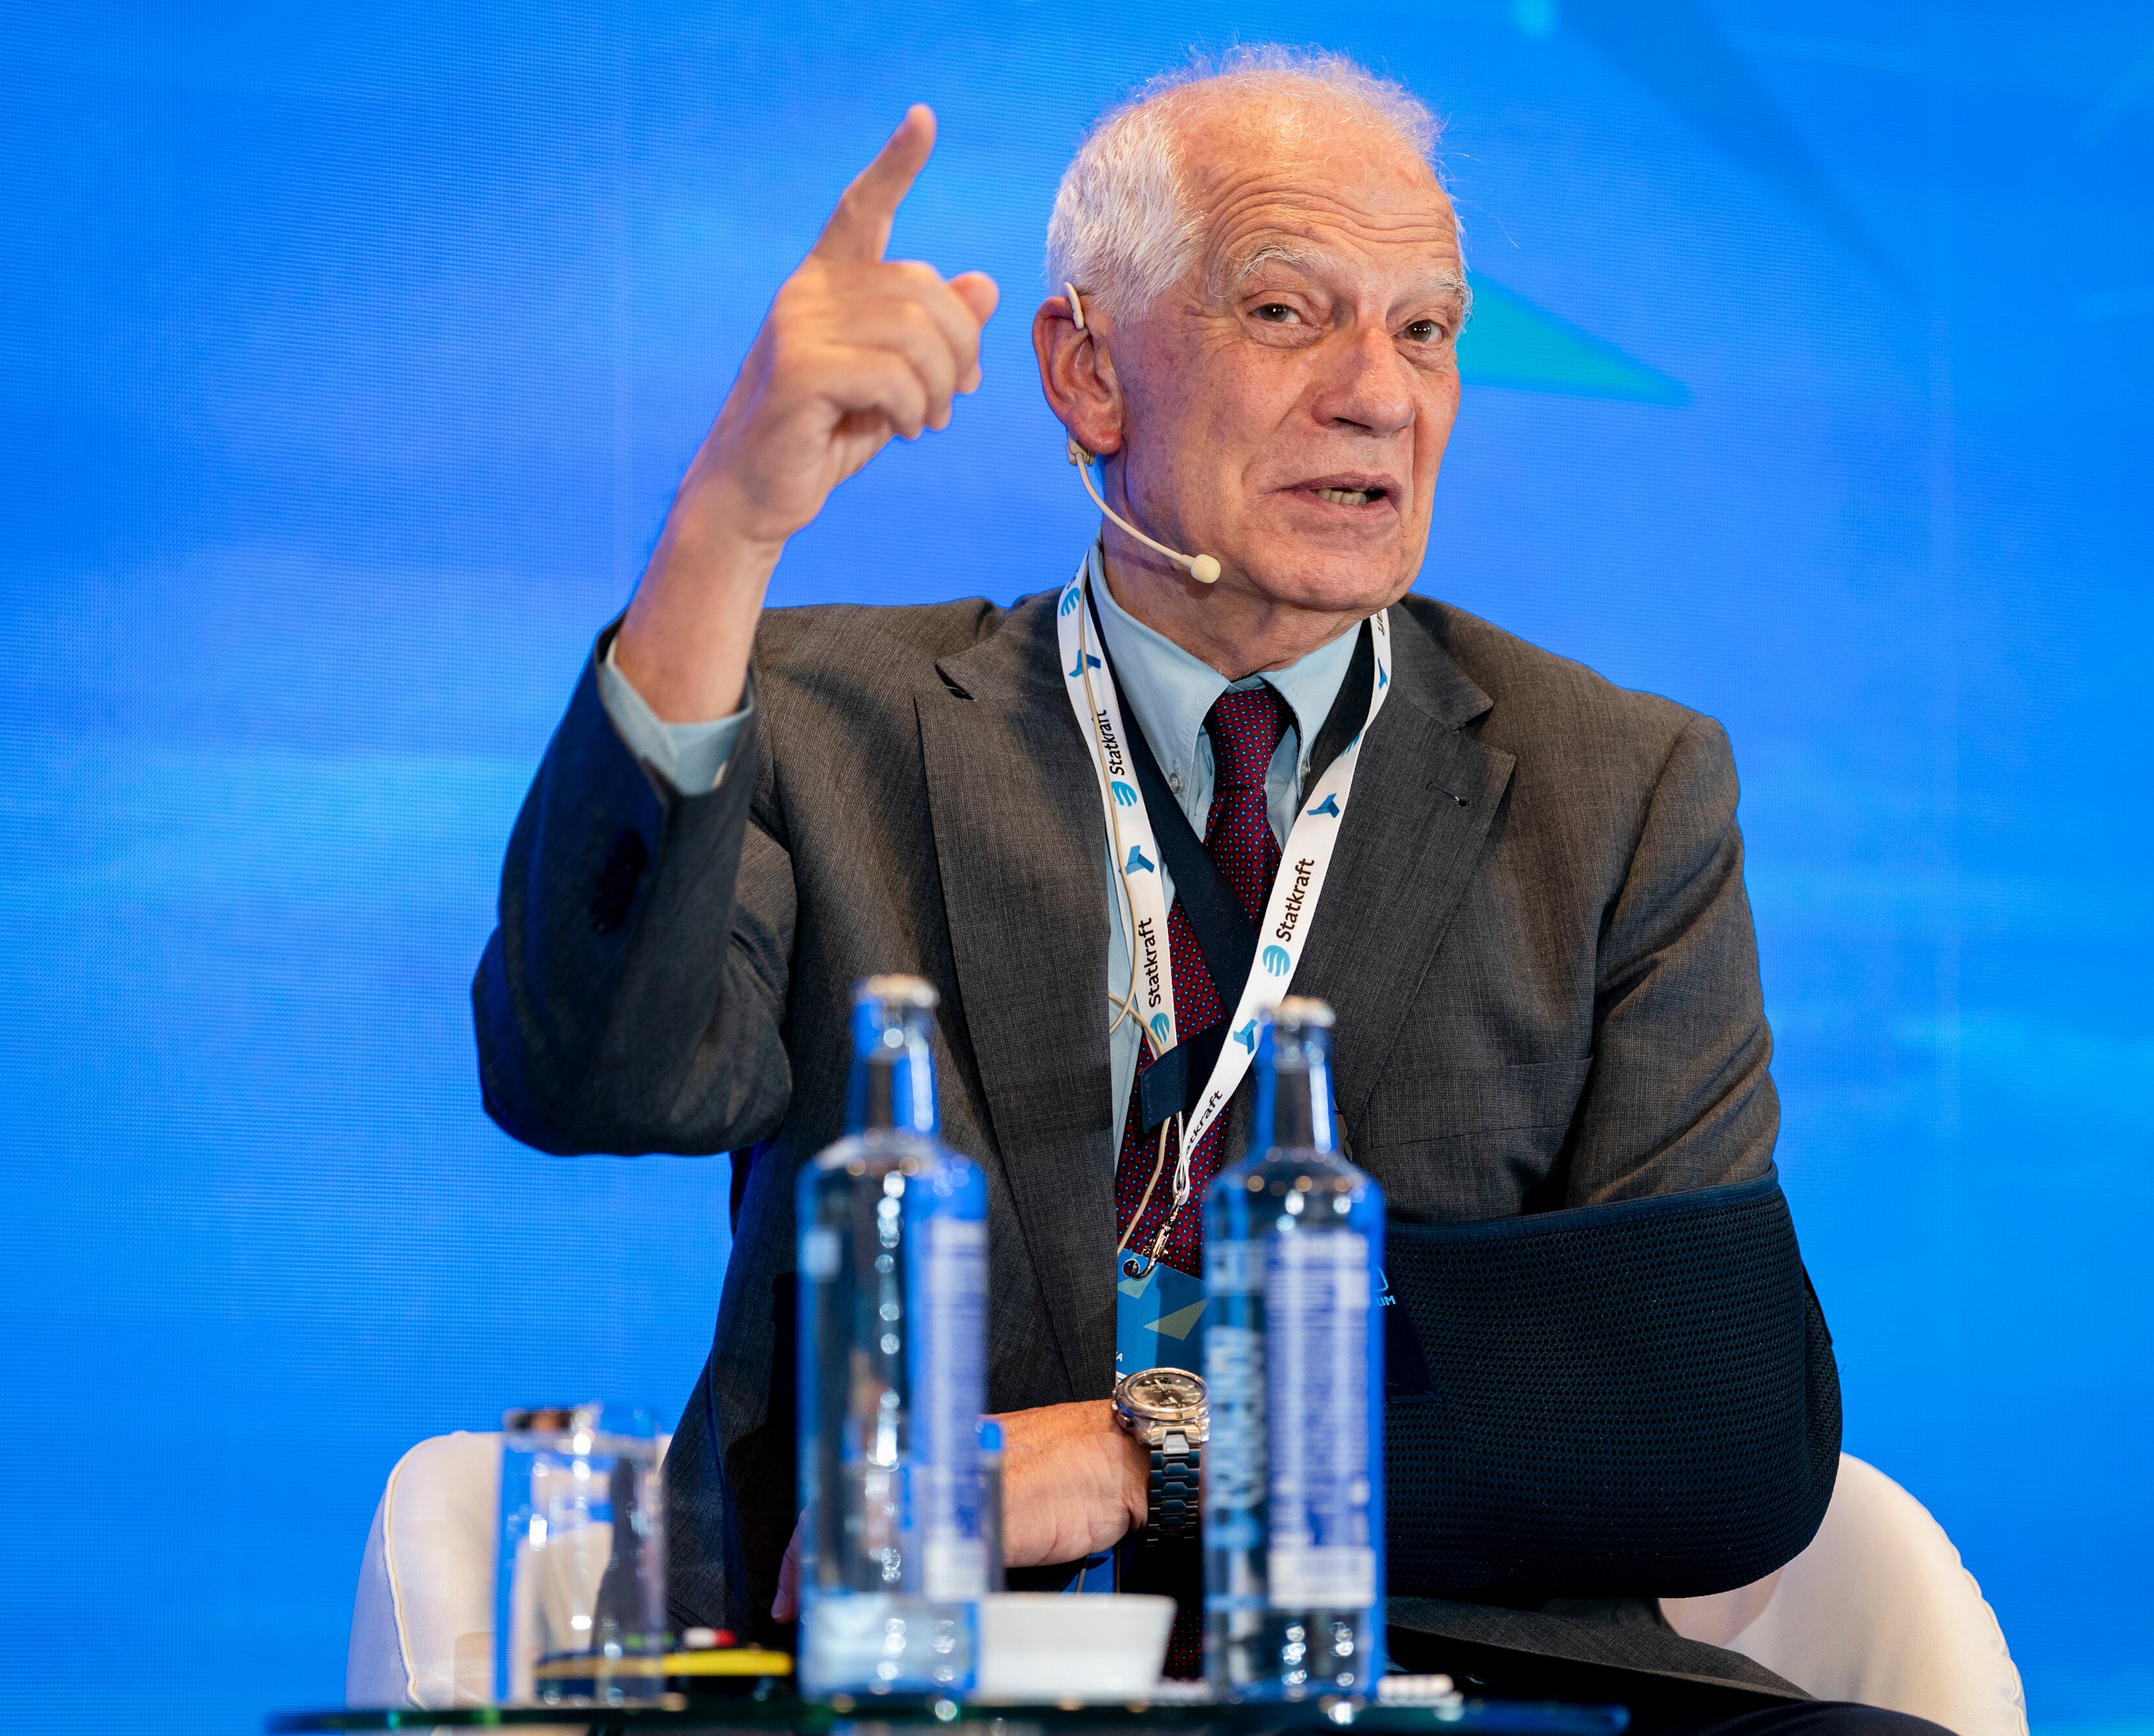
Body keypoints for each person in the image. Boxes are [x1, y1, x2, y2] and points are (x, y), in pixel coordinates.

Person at [475, 48, 1946, 1736]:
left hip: (1438, 1677)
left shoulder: (1615, 787)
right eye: (1285, 312)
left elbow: (1700, 1411)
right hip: (904, 1673)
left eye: (1426, 329)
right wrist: (728, 528)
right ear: (1088, 371)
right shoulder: (826, 729)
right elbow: (585, 1074)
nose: (1380, 393)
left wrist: (1155, 1448)